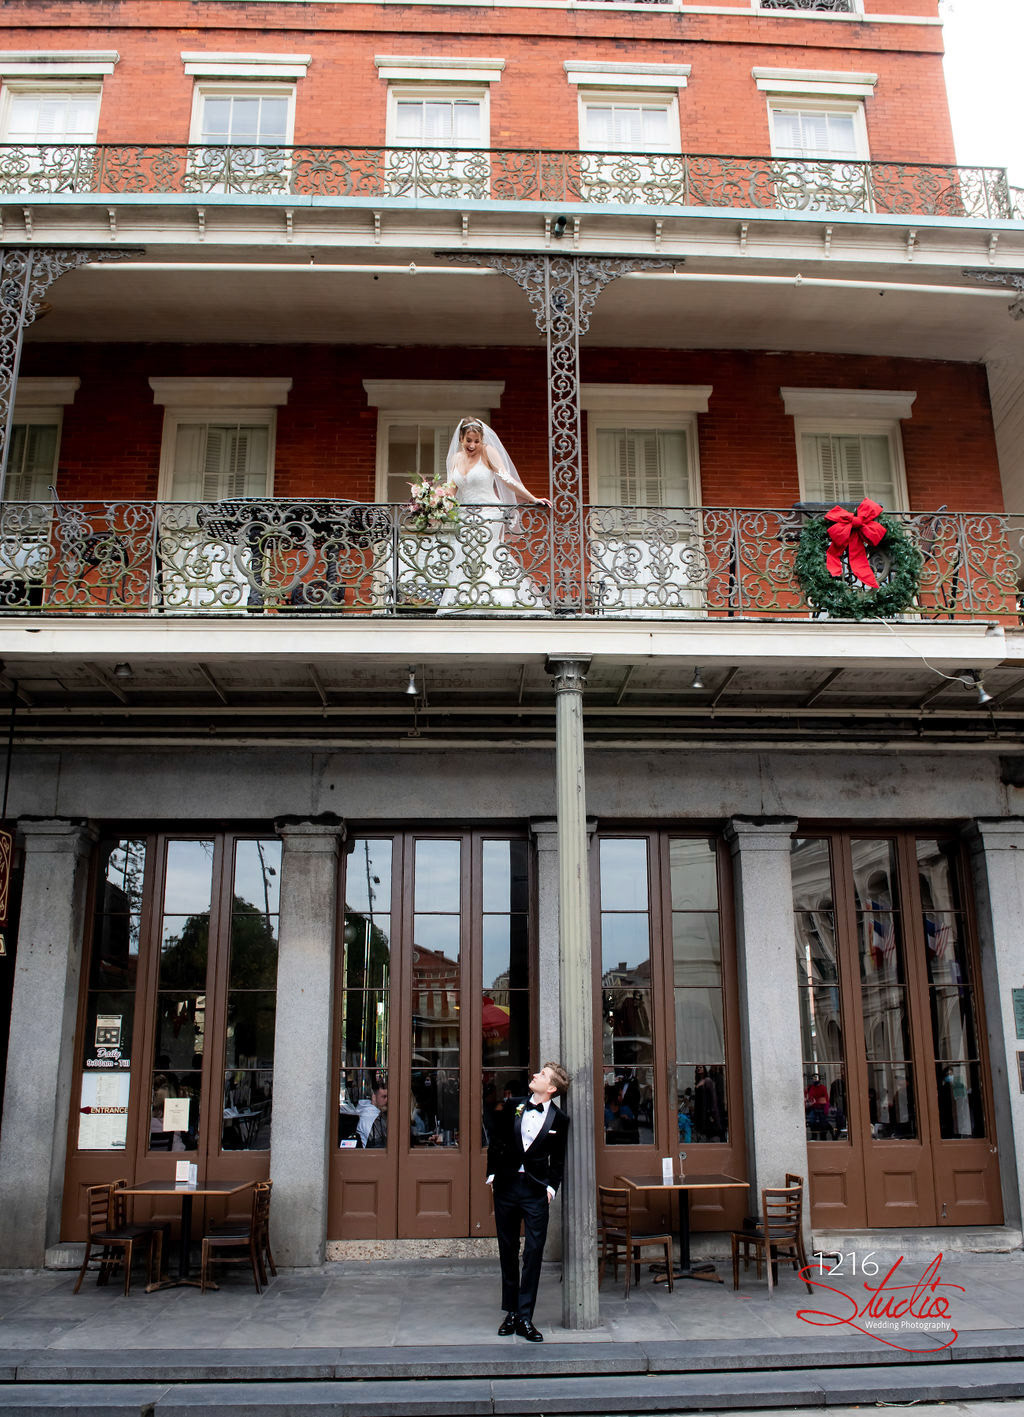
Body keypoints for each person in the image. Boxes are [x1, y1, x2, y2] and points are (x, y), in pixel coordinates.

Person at [486, 1061, 570, 1342]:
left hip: (535, 1191)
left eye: (542, 1075)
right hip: (507, 1187)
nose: (535, 1075)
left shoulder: (560, 1119)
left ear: (552, 1087)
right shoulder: (514, 1105)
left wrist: (551, 1189)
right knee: (507, 1249)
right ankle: (510, 1312)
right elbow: (497, 1139)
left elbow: (558, 1160)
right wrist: (492, 1175)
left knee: (533, 1253)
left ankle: (525, 1317)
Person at [437, 417, 550, 614]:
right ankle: (467, 602)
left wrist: (532, 498)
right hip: (465, 516)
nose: (472, 445)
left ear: (481, 440)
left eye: (476, 441)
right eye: (468, 440)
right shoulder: (455, 459)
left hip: (489, 514)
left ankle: (495, 601)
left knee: (485, 556)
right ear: (461, 439)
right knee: (466, 559)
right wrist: (434, 502)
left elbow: (507, 479)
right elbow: (451, 491)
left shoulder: (488, 452)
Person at [355, 1075, 388, 1148]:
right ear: (374, 1096)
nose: (387, 1100)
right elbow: (378, 1144)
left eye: (388, 1097)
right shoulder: (370, 1117)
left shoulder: (377, 1114)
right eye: (384, 1097)